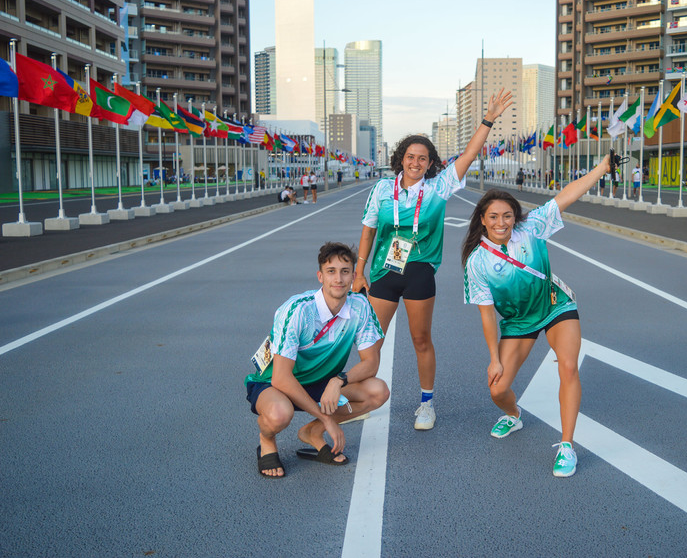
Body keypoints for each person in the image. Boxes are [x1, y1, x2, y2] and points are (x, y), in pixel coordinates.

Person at [353, 89, 514, 431]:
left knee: (421, 339)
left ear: (430, 163)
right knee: (370, 341)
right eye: (410, 157)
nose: (415, 163)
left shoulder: (439, 188)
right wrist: (359, 271)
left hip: (420, 271)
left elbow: (470, 154)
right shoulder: (382, 190)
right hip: (384, 270)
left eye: (423, 158)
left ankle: (426, 403)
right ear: (401, 158)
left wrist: (488, 119)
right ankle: (359, 400)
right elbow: (368, 230)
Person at [460, 154, 612, 477]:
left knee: (568, 367)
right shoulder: (477, 263)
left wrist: (601, 168)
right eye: (494, 217)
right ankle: (514, 415)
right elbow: (487, 315)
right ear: (483, 220)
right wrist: (493, 358)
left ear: (515, 217)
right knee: (498, 390)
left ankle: (567, 447)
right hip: (518, 321)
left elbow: (567, 195)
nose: (501, 223)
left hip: (555, 304)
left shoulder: (532, 228)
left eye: (507, 216)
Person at [245, 242, 389, 478]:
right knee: (279, 414)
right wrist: (328, 418)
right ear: (320, 276)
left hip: (322, 383)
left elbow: (371, 363)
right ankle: (267, 439)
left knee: (378, 391)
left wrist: (338, 381)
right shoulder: (297, 310)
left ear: (354, 276)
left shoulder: (360, 307)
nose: (339, 279)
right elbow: (282, 377)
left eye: (345, 272)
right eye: (331, 272)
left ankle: (312, 432)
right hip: (276, 383)